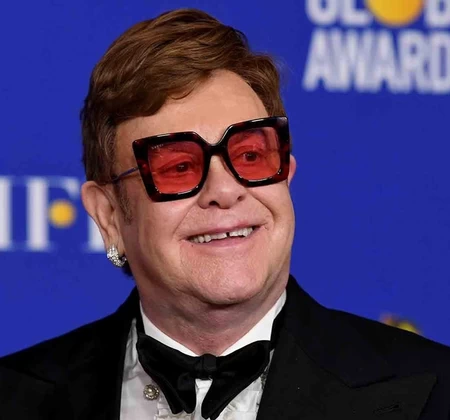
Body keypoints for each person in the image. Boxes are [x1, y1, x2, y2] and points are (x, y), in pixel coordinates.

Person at [1, 8, 450, 420]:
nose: (224, 191)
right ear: (110, 215)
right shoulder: (13, 399)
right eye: (178, 166)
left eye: (250, 156)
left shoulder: (435, 394)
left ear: (286, 176)